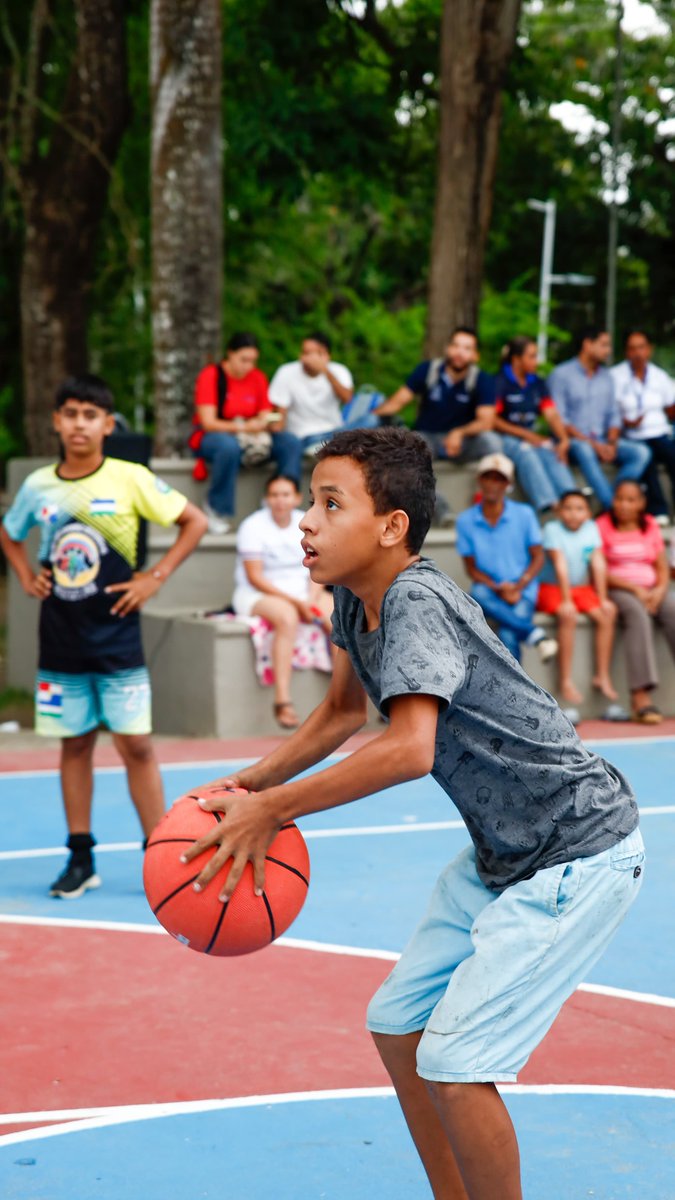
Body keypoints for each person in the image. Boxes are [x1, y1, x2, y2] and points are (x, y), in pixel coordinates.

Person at [181, 426, 643, 1200]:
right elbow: (337, 713)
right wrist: (254, 784)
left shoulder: (415, 602)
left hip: (574, 849)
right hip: (504, 850)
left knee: (457, 1063)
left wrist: (275, 812)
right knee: (400, 1025)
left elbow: (407, 748)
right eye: (310, 503)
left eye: (331, 504)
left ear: (391, 526)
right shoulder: (349, 598)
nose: (307, 521)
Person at [0, 374, 208, 898]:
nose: (79, 424)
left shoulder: (130, 478)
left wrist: (153, 577)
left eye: (90, 415)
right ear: (56, 421)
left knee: (136, 745)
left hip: (117, 638)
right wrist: (25, 575)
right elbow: (9, 531)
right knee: (76, 744)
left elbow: (195, 521)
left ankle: (158, 855)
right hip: (61, 638)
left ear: (108, 425)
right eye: (70, 413)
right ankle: (80, 857)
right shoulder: (39, 487)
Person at [232, 474, 333, 729]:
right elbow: (255, 577)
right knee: (286, 617)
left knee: (339, 618)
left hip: (304, 591)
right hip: (257, 594)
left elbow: (318, 565)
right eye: (274, 495)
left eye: (285, 494)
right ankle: (282, 700)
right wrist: (299, 604)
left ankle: (357, 697)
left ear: (297, 498)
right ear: (266, 499)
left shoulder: (308, 522)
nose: (280, 501)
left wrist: (311, 598)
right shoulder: (252, 526)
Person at [374, 326, 500, 523]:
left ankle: (486, 502)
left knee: (492, 442)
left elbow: (487, 420)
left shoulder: (482, 379)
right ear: (447, 348)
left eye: (467, 348)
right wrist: (369, 418)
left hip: (463, 442)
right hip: (428, 437)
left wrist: (459, 432)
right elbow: (397, 402)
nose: (460, 352)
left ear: (475, 355)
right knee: (411, 448)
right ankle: (440, 510)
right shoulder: (428, 370)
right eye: (456, 345)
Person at [190, 332, 302, 534]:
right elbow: (208, 422)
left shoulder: (257, 377)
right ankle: (217, 508)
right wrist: (243, 427)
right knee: (228, 447)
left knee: (290, 442)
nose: (248, 366)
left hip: (253, 438)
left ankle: (280, 498)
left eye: (252, 361)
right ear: (230, 354)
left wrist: (268, 422)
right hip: (217, 437)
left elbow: (265, 413)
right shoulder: (211, 376)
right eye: (243, 360)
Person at [455, 453, 558, 664]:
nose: (493, 484)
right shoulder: (466, 520)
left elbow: (538, 557)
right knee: (477, 593)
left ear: (508, 484)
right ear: (479, 480)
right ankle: (535, 635)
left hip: (523, 588)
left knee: (508, 634)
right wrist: (498, 587)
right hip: (490, 591)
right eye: (488, 477)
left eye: (499, 478)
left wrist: (518, 586)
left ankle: (515, 693)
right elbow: (471, 569)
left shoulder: (525, 514)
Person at [597, 479, 675, 724]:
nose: (624, 505)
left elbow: (662, 567)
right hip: (618, 589)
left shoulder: (650, 524)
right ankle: (640, 696)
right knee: (638, 614)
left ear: (641, 503)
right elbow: (599, 571)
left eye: (631, 500)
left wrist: (659, 591)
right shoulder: (602, 526)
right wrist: (635, 589)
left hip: (652, 589)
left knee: (673, 608)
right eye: (619, 498)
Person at [547, 326, 651, 510]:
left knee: (640, 453)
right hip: (572, 441)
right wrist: (594, 444)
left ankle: (615, 500)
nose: (608, 351)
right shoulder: (561, 375)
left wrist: (611, 443)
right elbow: (560, 419)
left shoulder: (607, 377)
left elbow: (614, 414)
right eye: (603, 345)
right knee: (585, 449)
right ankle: (613, 509)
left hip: (603, 440)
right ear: (587, 344)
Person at [537, 490, 618, 708]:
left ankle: (601, 675)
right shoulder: (552, 529)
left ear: (588, 513)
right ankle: (565, 680)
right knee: (568, 615)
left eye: (579, 509)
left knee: (606, 615)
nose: (573, 514)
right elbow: (560, 564)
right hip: (553, 588)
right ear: (559, 511)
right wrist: (566, 600)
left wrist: (602, 598)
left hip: (581, 588)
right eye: (568, 508)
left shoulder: (592, 529)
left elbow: (598, 564)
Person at [493, 336, 575, 514]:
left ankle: (571, 498)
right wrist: (526, 435)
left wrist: (563, 439)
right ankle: (550, 505)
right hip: (506, 438)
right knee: (526, 451)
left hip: (530, 436)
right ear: (516, 359)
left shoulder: (537, 382)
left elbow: (551, 413)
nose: (536, 361)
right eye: (532, 356)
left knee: (551, 447)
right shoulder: (500, 381)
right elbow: (493, 420)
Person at [611, 329, 675, 524]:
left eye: (641, 347)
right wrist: (625, 422)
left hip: (659, 431)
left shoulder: (659, 376)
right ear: (626, 352)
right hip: (631, 435)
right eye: (632, 348)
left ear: (649, 350)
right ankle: (658, 511)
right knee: (645, 457)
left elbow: (670, 406)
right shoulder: (615, 376)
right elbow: (609, 413)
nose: (637, 353)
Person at [269, 333, 370, 455]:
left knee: (371, 420)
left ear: (326, 355)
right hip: (304, 436)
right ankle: (326, 446)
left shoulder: (339, 370)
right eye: (304, 352)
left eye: (311, 354)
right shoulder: (286, 372)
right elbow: (280, 412)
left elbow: (347, 398)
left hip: (335, 432)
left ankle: (330, 444)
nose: (305, 358)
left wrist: (325, 371)